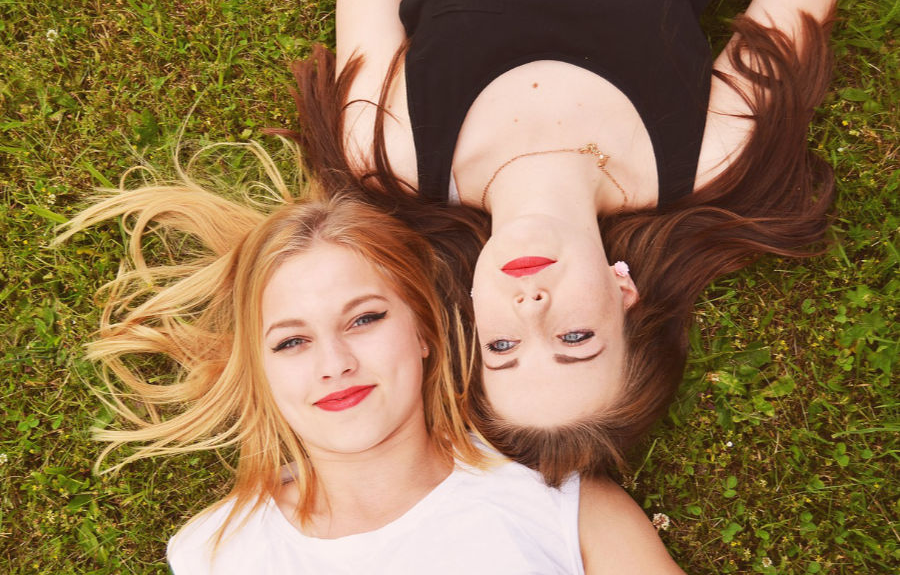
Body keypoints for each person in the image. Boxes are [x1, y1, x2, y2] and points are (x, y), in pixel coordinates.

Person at [271, 0, 844, 486]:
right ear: (625, 296)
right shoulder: (711, 160)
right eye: (574, 339)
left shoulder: (386, 155)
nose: (531, 306)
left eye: (503, 346)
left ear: (470, 316)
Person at [57, 154, 685, 574]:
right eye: (290, 343)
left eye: (364, 319)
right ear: (261, 371)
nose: (334, 363)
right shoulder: (213, 554)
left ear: (423, 331)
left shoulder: (566, 511)